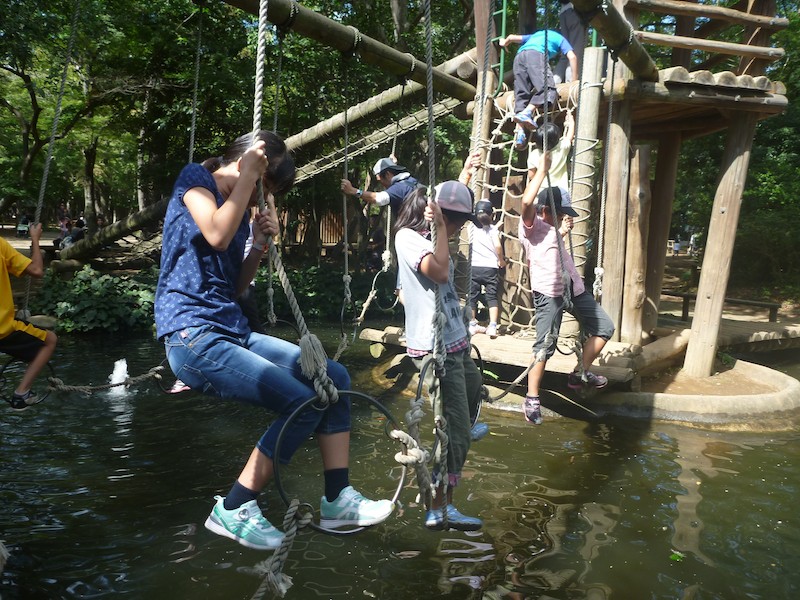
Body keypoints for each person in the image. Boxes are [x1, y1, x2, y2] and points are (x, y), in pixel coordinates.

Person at [154, 130, 393, 551]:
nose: (263, 202)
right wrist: (248, 178)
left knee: (334, 378)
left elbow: (234, 289)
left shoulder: (238, 209)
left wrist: (259, 246)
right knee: (302, 402)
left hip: (231, 330)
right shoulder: (196, 179)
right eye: (266, 190)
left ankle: (338, 498)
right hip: (192, 336)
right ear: (249, 168)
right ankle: (234, 507)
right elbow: (215, 234)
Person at [394, 179, 483, 531]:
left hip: (455, 341)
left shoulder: (434, 235)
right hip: (434, 349)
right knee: (454, 433)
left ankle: (462, 431)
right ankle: (439, 506)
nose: (459, 228)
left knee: (475, 387)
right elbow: (440, 271)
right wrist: (442, 227)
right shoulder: (408, 238)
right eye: (456, 221)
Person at [518, 156, 615, 425]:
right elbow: (526, 203)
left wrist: (561, 231)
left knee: (605, 327)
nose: (562, 217)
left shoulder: (551, 230)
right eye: (559, 214)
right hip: (549, 292)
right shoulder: (532, 226)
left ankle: (579, 372)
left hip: (574, 288)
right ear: (544, 211)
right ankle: (532, 397)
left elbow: (549, 247)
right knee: (545, 346)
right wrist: (542, 171)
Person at [1, 222, 58, 410]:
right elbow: (36, 270)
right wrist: (35, 238)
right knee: (49, 340)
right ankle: (22, 393)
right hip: (3, 328)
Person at [499, 30, 578, 151]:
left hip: (519, 58)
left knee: (521, 95)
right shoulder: (560, 38)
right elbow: (572, 56)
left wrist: (504, 42)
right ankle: (527, 112)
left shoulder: (536, 35)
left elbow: (511, 37)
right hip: (535, 55)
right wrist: (574, 80)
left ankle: (520, 132)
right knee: (549, 89)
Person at [469, 200, 506, 339]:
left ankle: (472, 324)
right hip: (490, 268)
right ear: (492, 215)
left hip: (474, 266)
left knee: (472, 296)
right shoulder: (493, 230)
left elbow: (482, 228)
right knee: (491, 296)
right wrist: (501, 259)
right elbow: (497, 245)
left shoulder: (471, 228)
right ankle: (492, 326)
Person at [340, 157, 419, 215]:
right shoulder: (410, 181)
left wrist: (353, 190)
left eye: (380, 181)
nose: (382, 184)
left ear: (387, 174)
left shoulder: (398, 188)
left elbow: (379, 198)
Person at [527, 111, 575, 194]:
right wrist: (571, 121)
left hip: (541, 191)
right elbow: (569, 136)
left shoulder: (534, 154)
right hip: (561, 191)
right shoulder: (562, 148)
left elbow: (531, 175)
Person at [555, 1, 587, 84]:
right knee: (575, 51)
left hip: (563, 12)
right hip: (574, 11)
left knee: (566, 52)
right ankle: (571, 82)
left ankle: (554, 81)